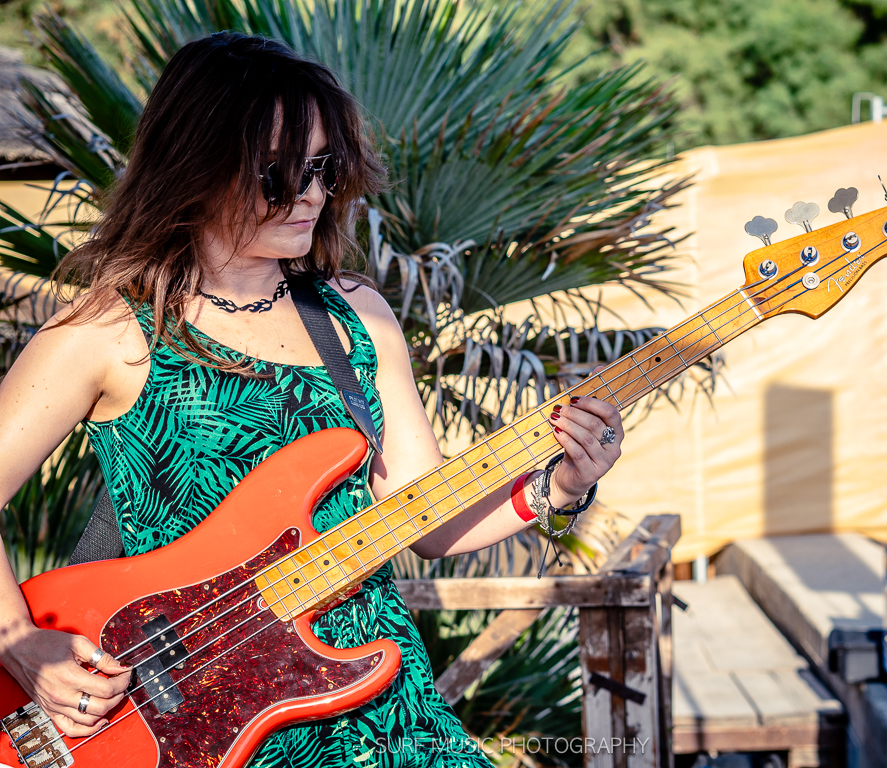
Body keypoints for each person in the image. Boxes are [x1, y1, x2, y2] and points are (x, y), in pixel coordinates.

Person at [0, 32, 624, 767]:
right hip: (199, 729)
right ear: (197, 164)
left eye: (325, 167)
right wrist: (19, 643)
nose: (312, 193)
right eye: (280, 173)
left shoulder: (357, 317)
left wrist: (560, 485)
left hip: (391, 718)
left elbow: (424, 518)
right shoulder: (106, 333)